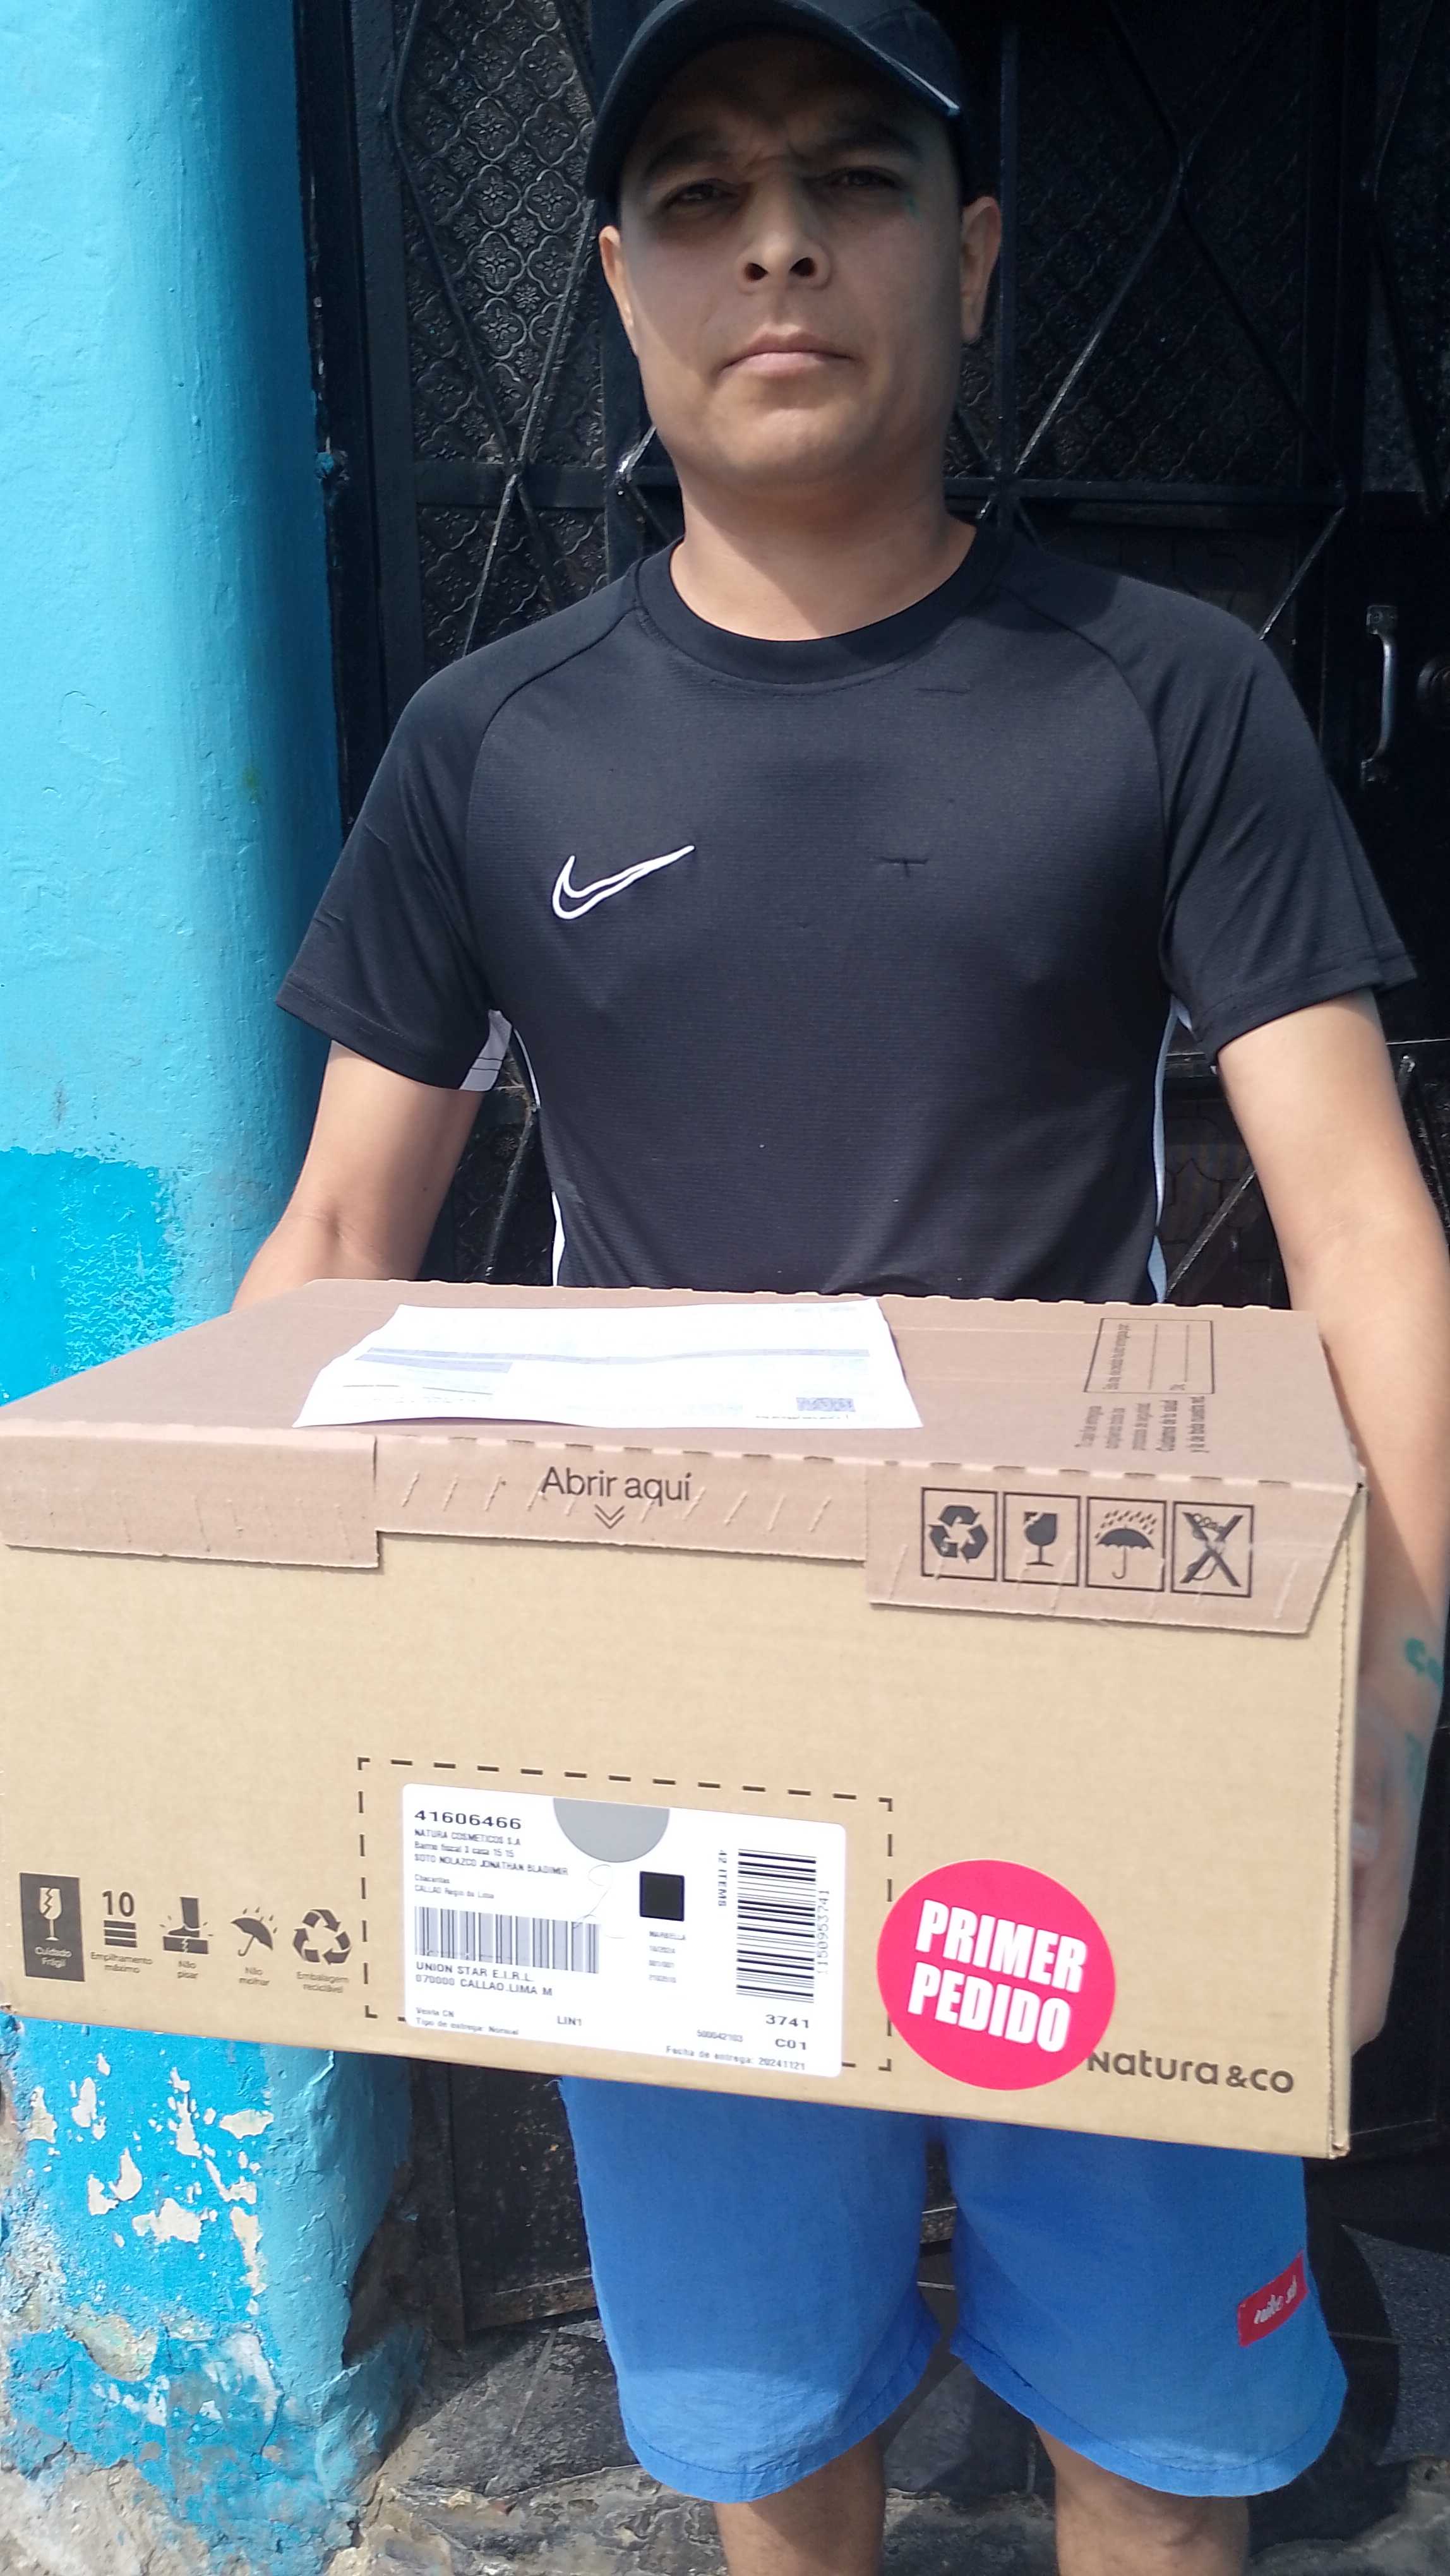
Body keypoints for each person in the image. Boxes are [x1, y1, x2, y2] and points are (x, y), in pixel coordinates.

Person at [239, 0, 1450, 2564]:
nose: (775, 243)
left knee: (1162, 2447)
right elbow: (338, 1242)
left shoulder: (1165, 694)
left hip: (1100, 1706)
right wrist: (259, 1698)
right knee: (766, 2430)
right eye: (698, 193)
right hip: (658, 1748)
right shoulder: (491, 744)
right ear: (616, 278)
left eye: (851, 178)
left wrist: (1373, 1751)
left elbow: (1362, 1225)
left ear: (972, 250)